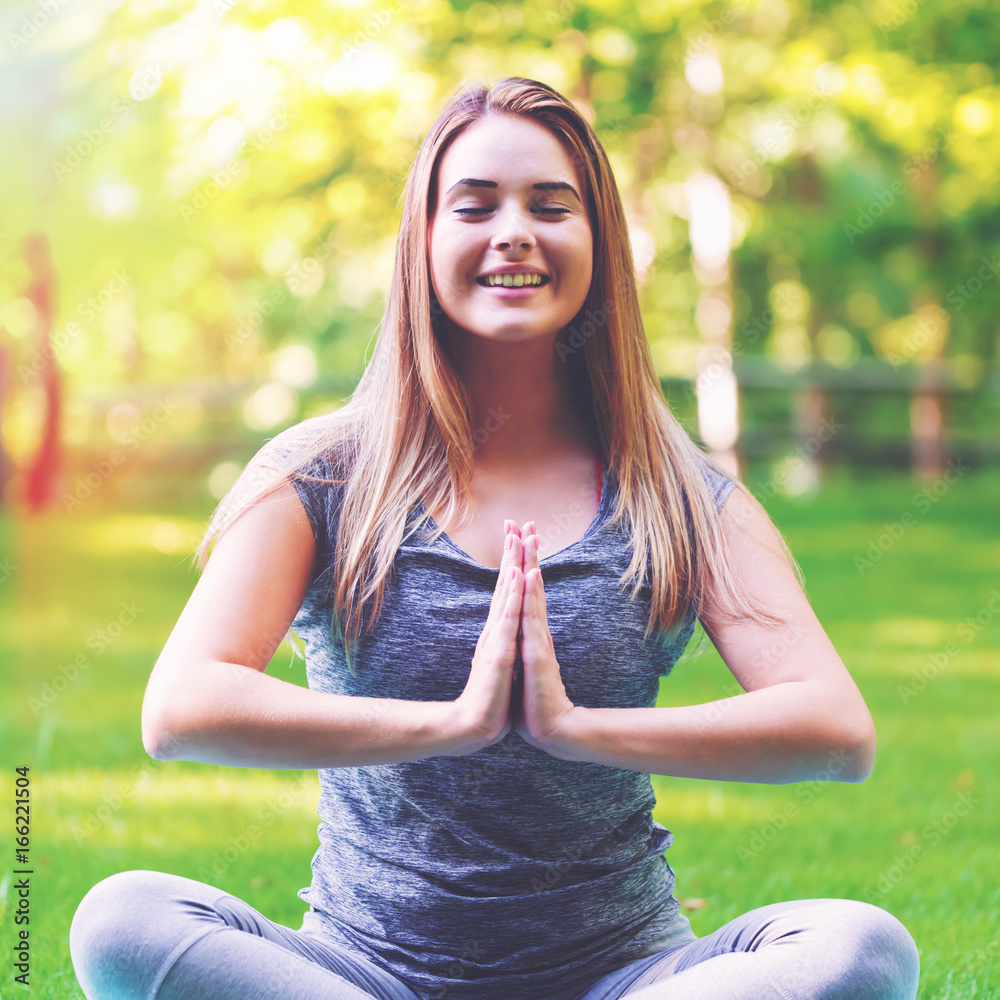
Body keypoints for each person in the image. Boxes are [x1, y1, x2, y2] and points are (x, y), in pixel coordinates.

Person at [69, 76, 920, 1000]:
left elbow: (836, 729)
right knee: (121, 919)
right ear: (423, 242)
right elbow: (181, 707)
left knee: (860, 947)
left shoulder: (679, 496)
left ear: (597, 241)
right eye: (475, 205)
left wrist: (578, 730)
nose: (514, 229)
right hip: (361, 976)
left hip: (628, 978)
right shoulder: (319, 477)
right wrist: (450, 726)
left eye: (551, 206)